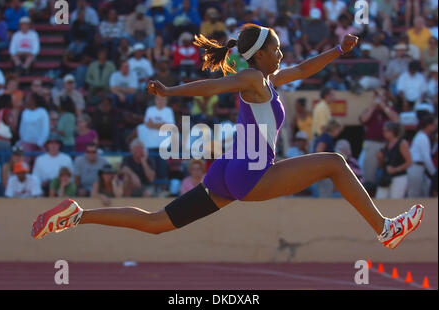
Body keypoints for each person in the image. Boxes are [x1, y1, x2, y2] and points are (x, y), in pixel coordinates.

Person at [32, 24, 424, 253]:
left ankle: (77, 215)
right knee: (336, 164)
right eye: (275, 47)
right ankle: (385, 230)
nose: (281, 51)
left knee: (158, 223)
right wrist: (169, 93)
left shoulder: (267, 78)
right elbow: (210, 88)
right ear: (260, 54)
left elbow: (304, 68)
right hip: (250, 173)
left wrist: (339, 50)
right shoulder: (253, 79)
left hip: (228, 171)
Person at [359, 88, 399, 187]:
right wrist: (373, 106)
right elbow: (363, 119)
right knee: (370, 167)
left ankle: (384, 184)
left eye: (381, 96)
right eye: (377, 96)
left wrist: (384, 106)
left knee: (386, 166)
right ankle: (370, 186)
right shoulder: (371, 110)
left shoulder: (388, 109)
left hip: (386, 143)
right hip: (372, 143)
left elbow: (396, 120)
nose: (379, 99)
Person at [375, 121, 412, 199]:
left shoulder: (402, 143)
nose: (384, 133)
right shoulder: (386, 144)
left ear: (393, 131)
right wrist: (380, 158)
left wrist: (396, 169)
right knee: (380, 198)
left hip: (399, 177)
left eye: (386, 131)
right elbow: (382, 163)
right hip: (386, 177)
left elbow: (409, 162)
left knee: (395, 200)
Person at [407, 115, 437, 198]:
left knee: (422, 194)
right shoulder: (422, 137)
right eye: (433, 125)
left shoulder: (423, 136)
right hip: (416, 167)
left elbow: (429, 154)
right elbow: (426, 157)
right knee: (414, 195)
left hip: (420, 168)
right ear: (428, 125)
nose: (435, 127)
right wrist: (434, 173)